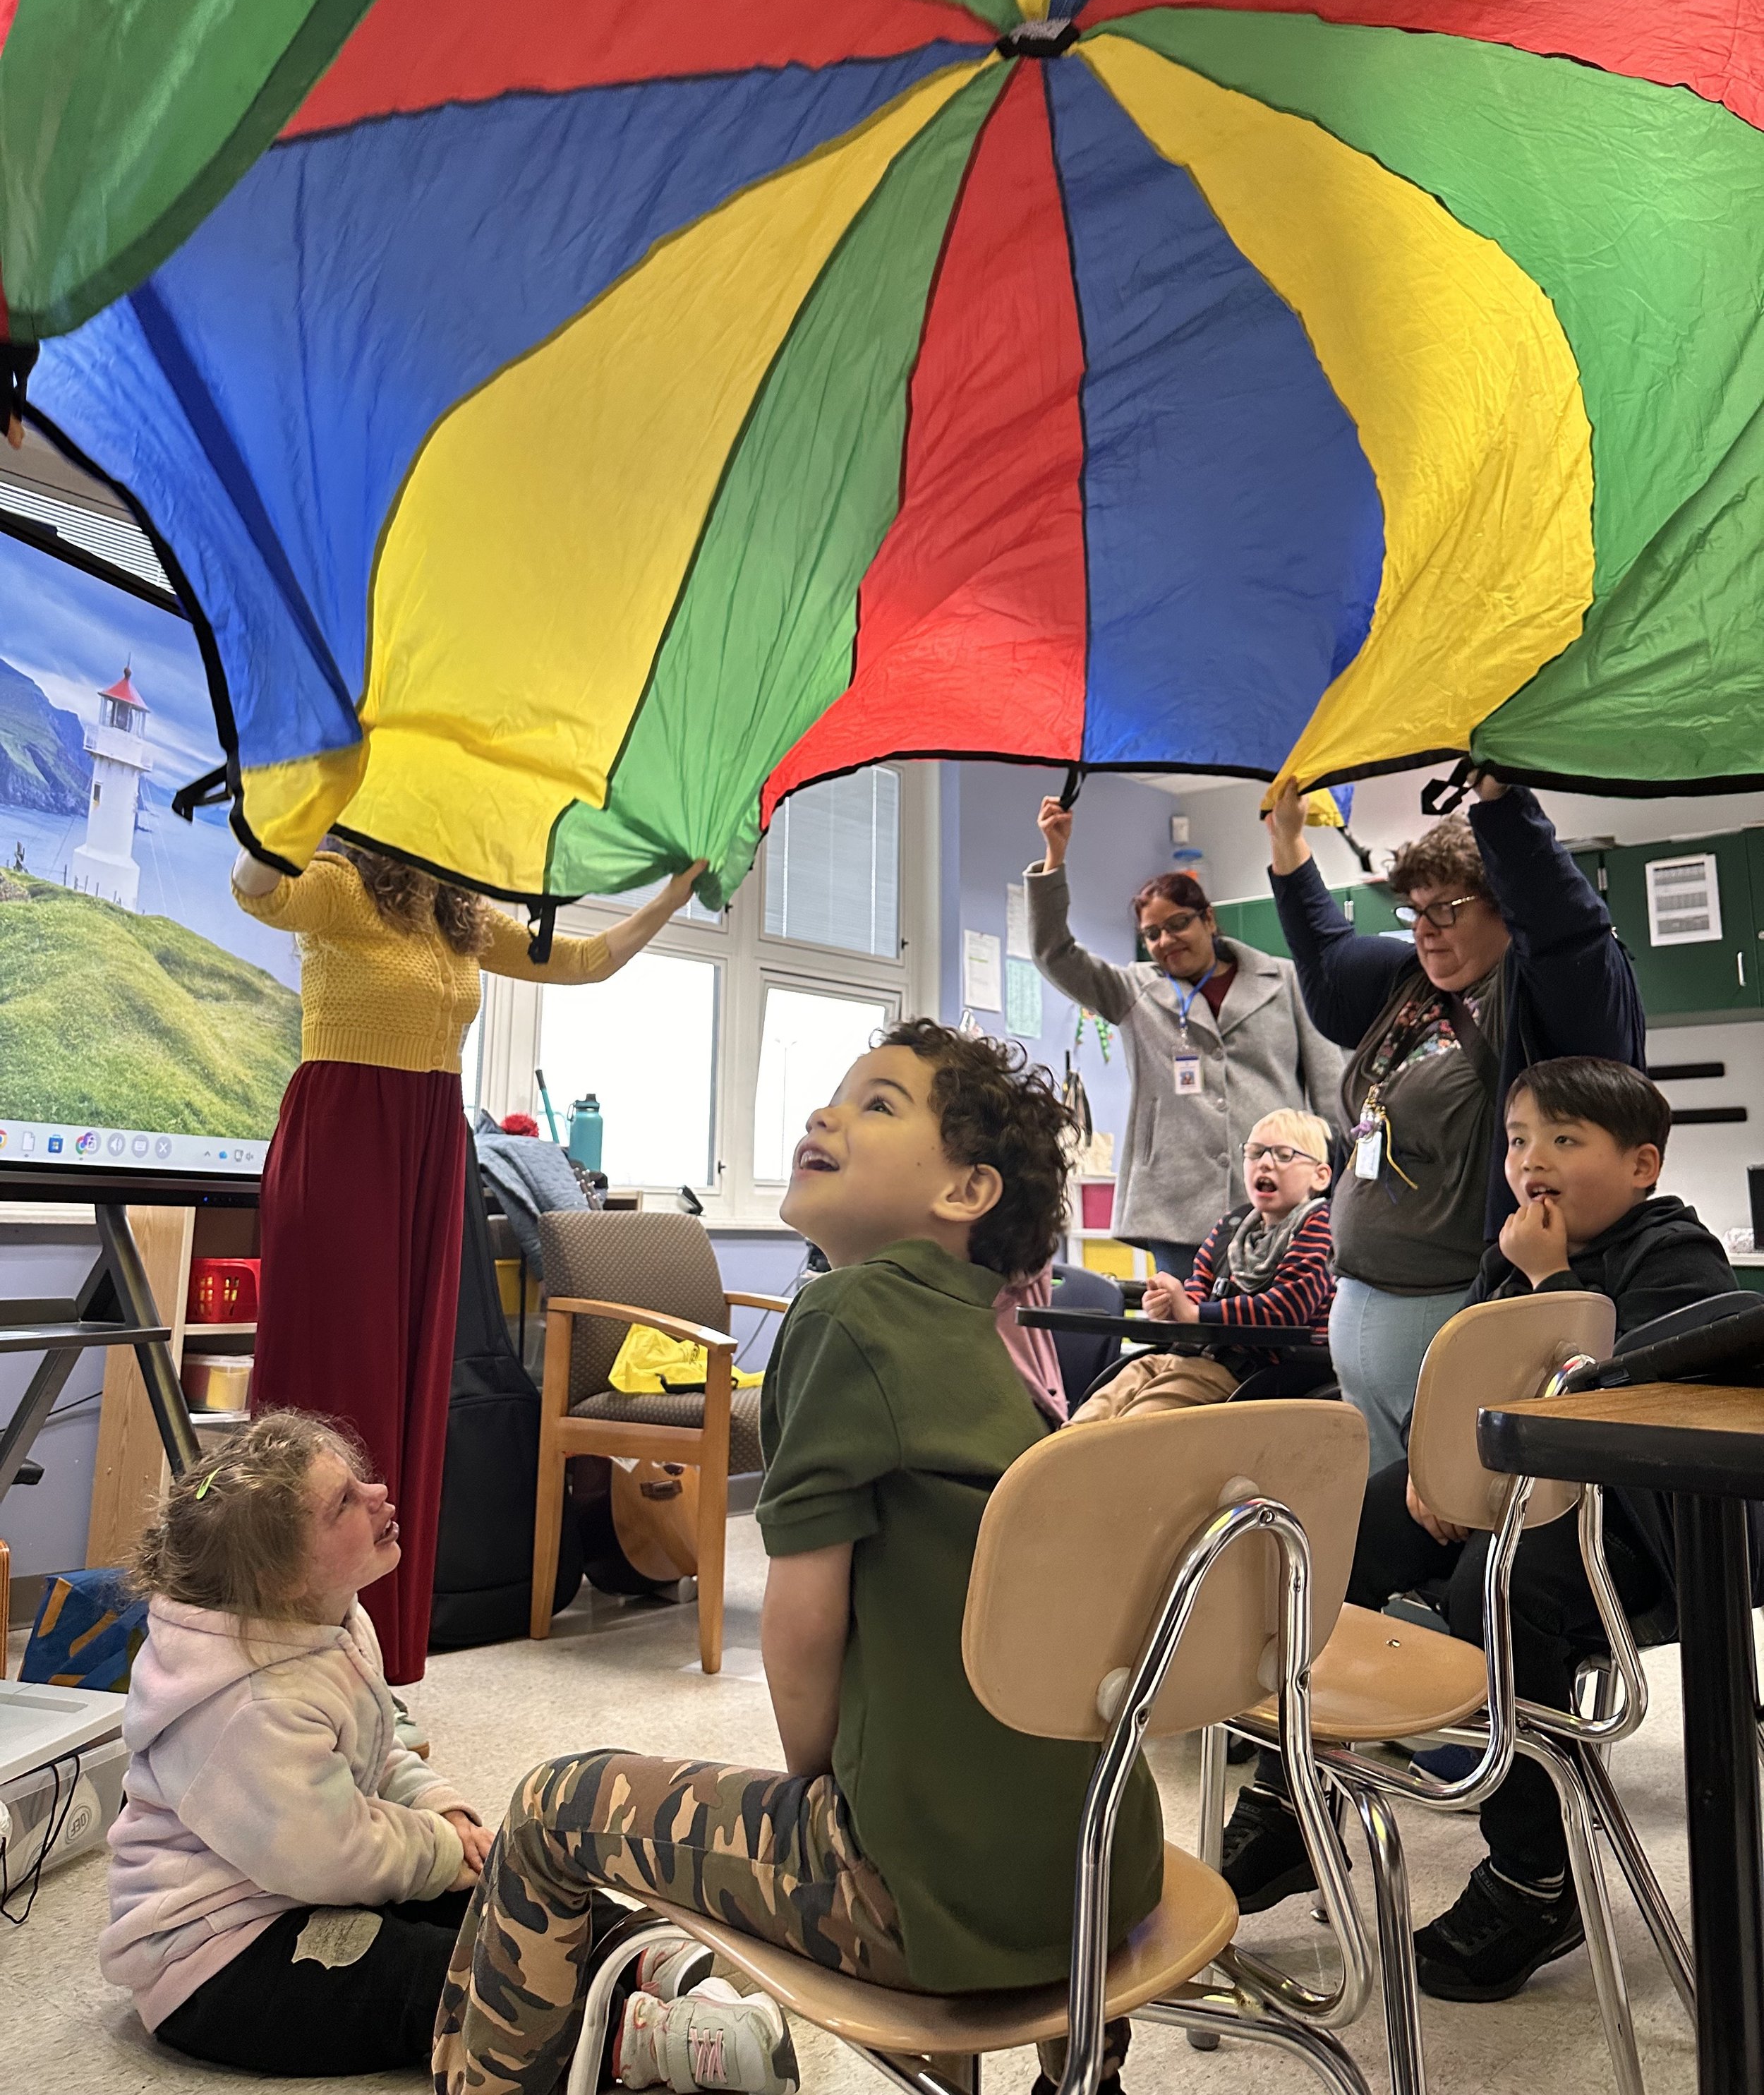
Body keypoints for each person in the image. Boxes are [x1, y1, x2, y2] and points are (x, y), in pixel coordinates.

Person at [433, 1021, 1164, 2095]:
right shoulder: (1002, 1344)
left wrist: (816, 1804)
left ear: (966, 1190)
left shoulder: (845, 1313)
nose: (826, 1116)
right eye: (834, 1097)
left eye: (878, 1104)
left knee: (548, 1807)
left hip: (925, 1899)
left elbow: (803, 1624)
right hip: (1103, 1875)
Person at [1221, 1058, 1734, 2003]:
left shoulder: (1674, 1253)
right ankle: (1292, 1795)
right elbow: (1455, 1376)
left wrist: (1552, 1279)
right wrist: (1433, 1466)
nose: (1531, 1160)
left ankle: (1537, 1877)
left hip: (1616, 1530)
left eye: (1565, 1140)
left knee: (1494, 1589)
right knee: (1333, 1536)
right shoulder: (1506, 1256)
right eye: (1517, 1140)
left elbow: (1623, 1405)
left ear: (1642, 1165)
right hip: (1505, 1505)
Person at [232, 837, 701, 1684]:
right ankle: (293, 1657)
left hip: (434, 1145)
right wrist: (276, 815)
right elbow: (256, 891)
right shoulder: (337, 885)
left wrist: (675, 892)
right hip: (347, 1136)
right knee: (342, 1385)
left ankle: (381, 1667)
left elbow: (587, 960)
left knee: (414, 1394)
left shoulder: (455, 915)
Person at [1264, 775, 1645, 1469]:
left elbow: (1566, 932)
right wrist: (1287, 841)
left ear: (1506, 908)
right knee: (1388, 1527)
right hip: (1359, 1306)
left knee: (1454, 1514)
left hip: (1459, 1305)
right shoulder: (1408, 980)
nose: (1426, 931)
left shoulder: (1535, 993)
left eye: (1447, 909)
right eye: (1414, 912)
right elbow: (1322, 959)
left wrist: (1500, 805)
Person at [102, 1412, 492, 2075]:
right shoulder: (250, 1703)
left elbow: (378, 1744)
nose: (377, 1494)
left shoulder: (323, 1617)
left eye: (359, 1481)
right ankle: (640, 2032)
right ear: (281, 1577)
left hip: (305, 1880)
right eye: (344, 1501)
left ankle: (630, 1949)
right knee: (440, 1979)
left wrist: (444, 1812)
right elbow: (334, 1854)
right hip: (223, 1959)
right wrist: (442, 1848)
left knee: (503, 1890)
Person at [1028, 793, 1341, 1284]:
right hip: (1175, 1201)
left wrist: (1335, 1181)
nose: (1166, 941)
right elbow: (1055, 954)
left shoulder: (1286, 980)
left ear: (1208, 920)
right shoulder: (1135, 991)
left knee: (1269, 1330)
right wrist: (1054, 859)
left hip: (1276, 1195)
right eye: (1152, 934)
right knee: (1184, 1331)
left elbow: (1329, 1088)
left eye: (1178, 924)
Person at [1070, 1108, 1334, 1420]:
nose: (1265, 1163)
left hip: (1254, 1371)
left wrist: (1196, 1313)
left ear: (1320, 1176)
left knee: (1131, 1427)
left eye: (1284, 1155)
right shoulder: (1233, 1226)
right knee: (1093, 1414)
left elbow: (1287, 1309)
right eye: (1255, 1153)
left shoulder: (1321, 1227)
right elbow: (1198, 1287)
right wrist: (1170, 1306)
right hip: (1192, 1358)